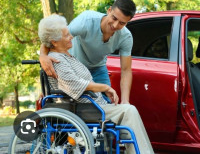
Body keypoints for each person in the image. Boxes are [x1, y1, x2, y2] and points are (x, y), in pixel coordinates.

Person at [38, 14, 154, 154]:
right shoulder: (57, 60)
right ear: (54, 42)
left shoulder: (67, 56)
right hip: (84, 108)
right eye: (66, 35)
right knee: (129, 111)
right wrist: (105, 87)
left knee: (127, 111)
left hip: (90, 105)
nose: (71, 36)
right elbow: (74, 85)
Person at [39, 0, 136, 104]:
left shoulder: (126, 37)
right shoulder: (86, 21)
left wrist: (125, 101)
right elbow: (56, 37)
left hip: (98, 68)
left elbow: (126, 70)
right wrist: (42, 55)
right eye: (114, 18)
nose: (115, 25)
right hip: (75, 68)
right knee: (79, 107)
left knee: (108, 104)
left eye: (122, 23)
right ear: (109, 10)